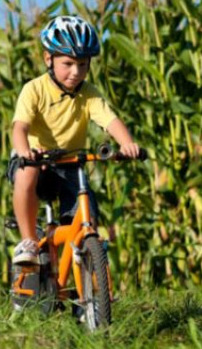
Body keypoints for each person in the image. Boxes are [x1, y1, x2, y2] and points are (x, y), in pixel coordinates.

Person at [8, 15, 141, 266]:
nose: (76, 72)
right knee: (26, 173)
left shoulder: (89, 93)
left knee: (86, 212)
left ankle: (89, 273)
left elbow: (110, 120)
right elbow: (19, 128)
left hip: (70, 165)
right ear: (48, 59)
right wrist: (25, 151)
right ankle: (28, 241)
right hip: (37, 161)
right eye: (68, 63)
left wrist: (127, 143)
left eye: (82, 64)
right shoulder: (34, 89)